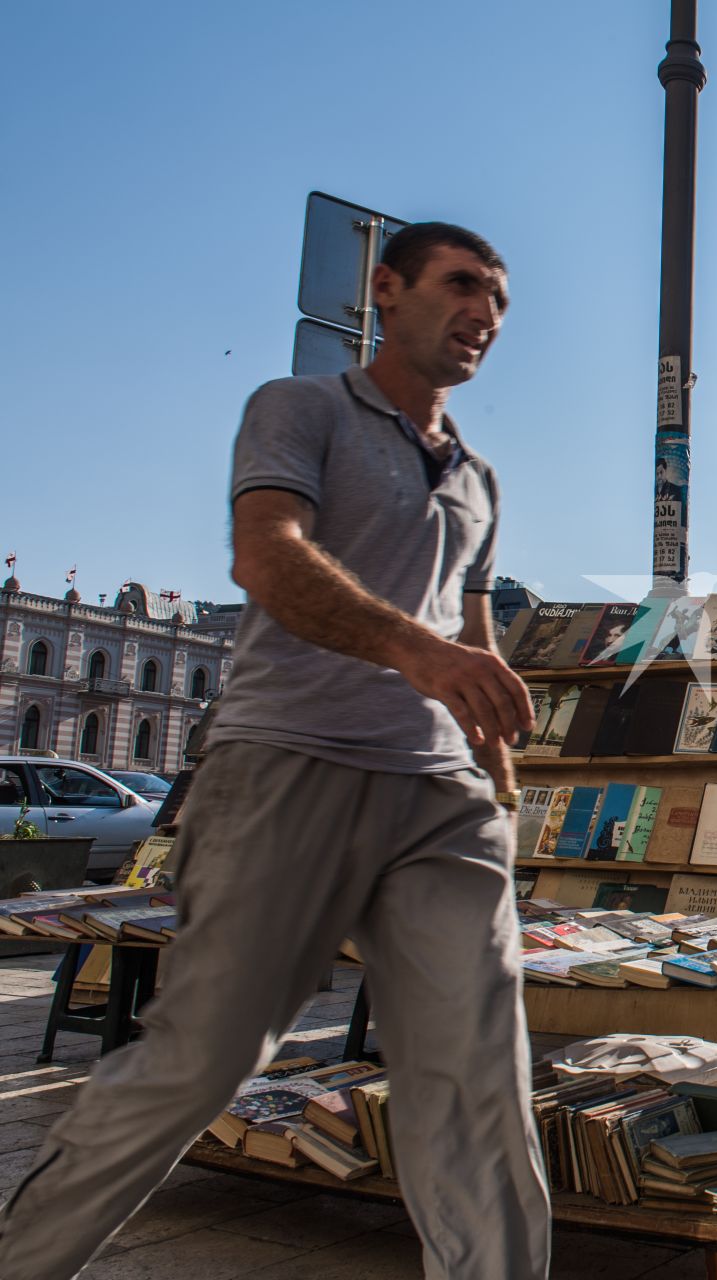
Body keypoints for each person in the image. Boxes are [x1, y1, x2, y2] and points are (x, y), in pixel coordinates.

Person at [0, 222, 547, 1280]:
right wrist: (418, 654)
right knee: (203, 1059)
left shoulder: (480, 478)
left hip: (438, 794)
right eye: (462, 284)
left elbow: (471, 633)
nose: (484, 311)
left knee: (478, 1074)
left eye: (500, 299)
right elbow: (267, 556)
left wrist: (501, 776)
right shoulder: (299, 410)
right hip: (285, 762)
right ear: (387, 290)